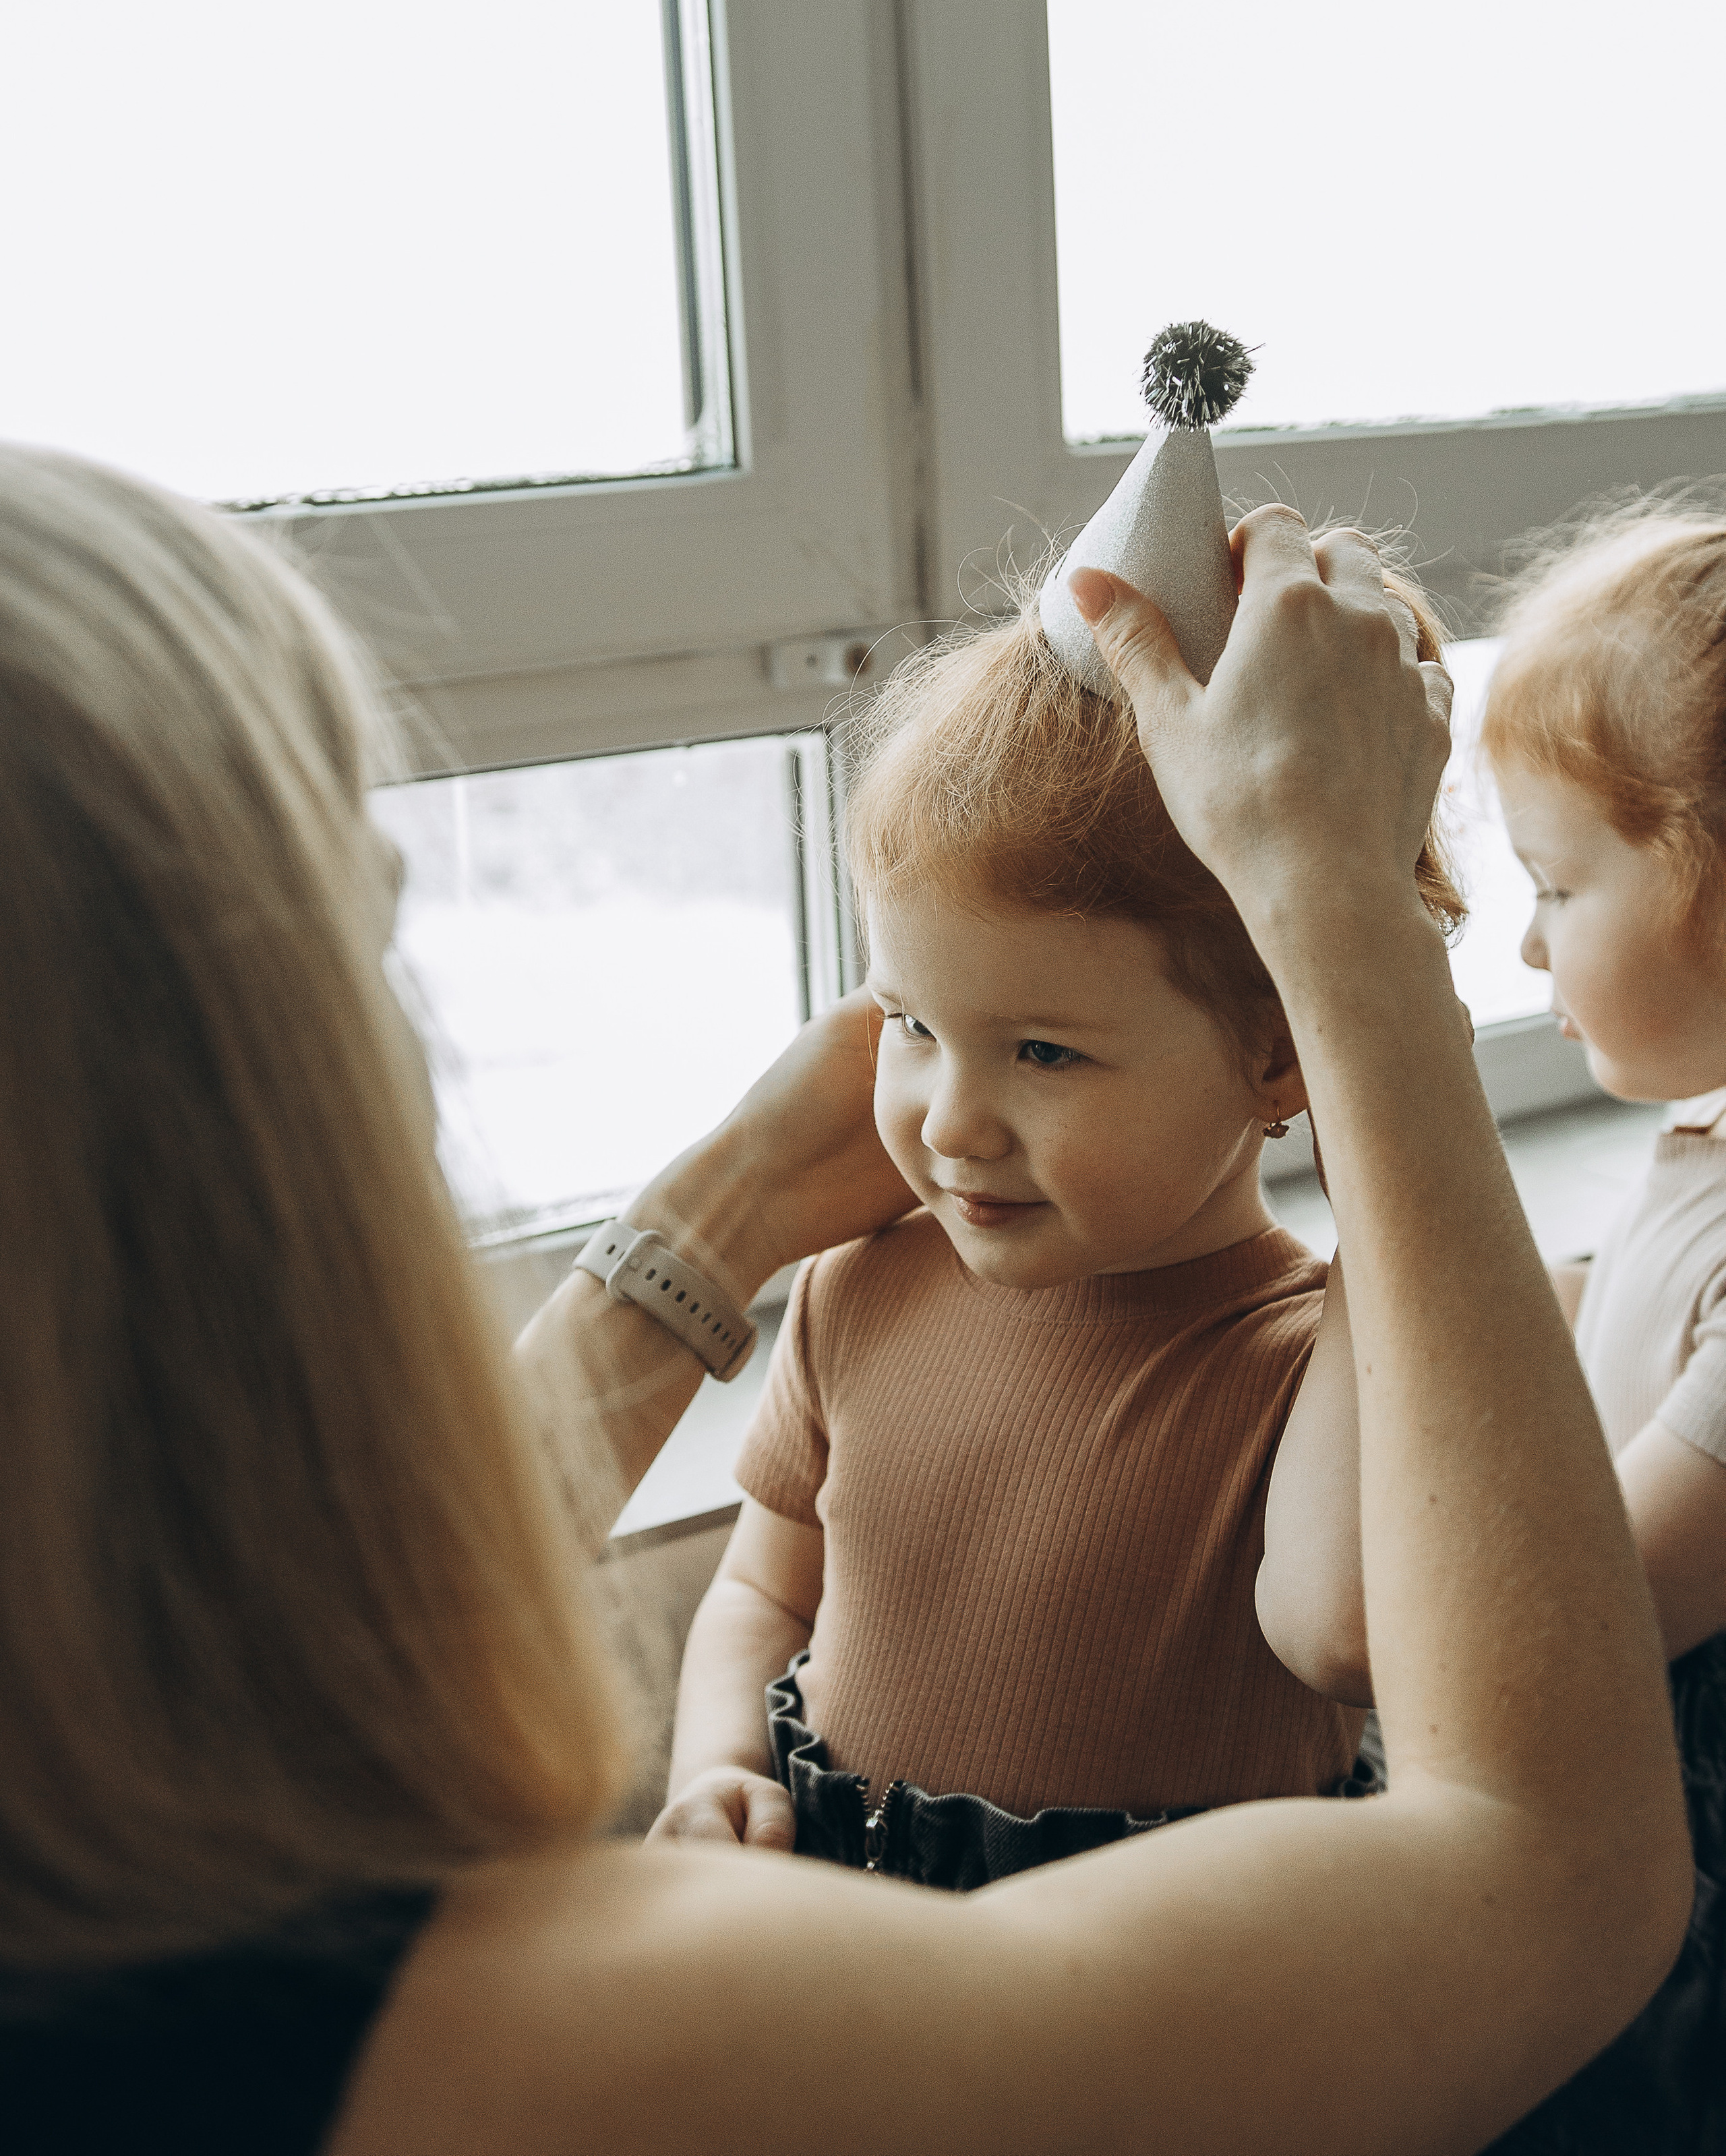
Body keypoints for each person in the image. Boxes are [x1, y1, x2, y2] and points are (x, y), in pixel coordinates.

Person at [0, 446, 1692, 2156]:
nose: (948, 1112)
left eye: (1039, 1047)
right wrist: (1342, 928)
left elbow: (1331, 1622)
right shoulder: (512, 2024)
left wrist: (719, 1206)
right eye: (370, 942)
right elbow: (1544, 1872)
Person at [651, 566, 1459, 1881]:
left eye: (1040, 1052)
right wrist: (717, 1764)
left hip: (1156, 2005)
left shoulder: (1318, 1364)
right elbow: (763, 1594)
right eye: (909, 1025)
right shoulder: (859, 1285)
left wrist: (1363, 1011)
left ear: (1276, 1058)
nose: (949, 1121)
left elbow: (1357, 1626)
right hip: (843, 1931)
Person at [1257, 506, 1726, 2151]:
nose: (1523, 941)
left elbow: (1570, 1624)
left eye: (1553, 882)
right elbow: (1564, 1346)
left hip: (1671, 1972)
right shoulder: (1698, 1150)